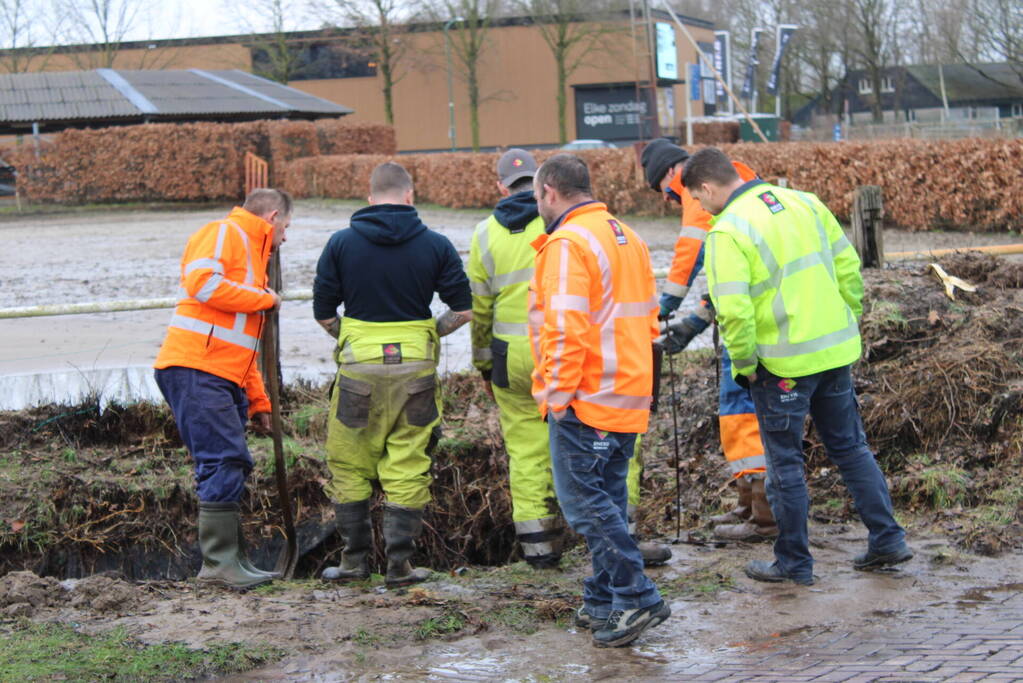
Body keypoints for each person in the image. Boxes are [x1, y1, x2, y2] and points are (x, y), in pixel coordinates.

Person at [684, 147, 912, 585]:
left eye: (696, 198)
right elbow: (848, 266)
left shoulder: (728, 231)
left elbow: (733, 311)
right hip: (834, 352)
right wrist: (846, 317)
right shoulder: (805, 201)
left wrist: (747, 364)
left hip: (781, 364)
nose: (699, 206)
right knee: (850, 449)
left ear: (708, 187)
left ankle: (794, 562)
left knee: (784, 462)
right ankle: (887, 539)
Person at [469, 149, 671, 569]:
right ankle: (624, 543)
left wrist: (485, 362)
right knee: (616, 463)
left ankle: (541, 549)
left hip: (530, 358)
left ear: (503, 186)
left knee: (528, 452)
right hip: (609, 367)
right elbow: (647, 315)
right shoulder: (622, 234)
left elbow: (482, 309)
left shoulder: (492, 234)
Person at [530, 153, 669, 647]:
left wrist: (557, 395)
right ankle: (604, 598)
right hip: (626, 390)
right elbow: (650, 320)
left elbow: (565, 330)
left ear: (549, 190)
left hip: (586, 397)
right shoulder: (624, 235)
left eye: (536, 196)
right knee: (607, 500)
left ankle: (635, 597)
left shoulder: (568, 243)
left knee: (587, 507)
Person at [313, 161, 472, 588]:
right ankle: (400, 567)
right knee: (408, 462)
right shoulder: (436, 244)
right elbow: (463, 309)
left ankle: (352, 564)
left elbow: (323, 311)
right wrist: (427, 333)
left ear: (369, 198)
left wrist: (353, 338)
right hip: (416, 368)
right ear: (410, 195)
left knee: (349, 462)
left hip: (359, 368)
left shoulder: (341, 243)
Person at [640, 138, 777, 542]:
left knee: (738, 408)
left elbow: (691, 251)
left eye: (668, 194)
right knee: (741, 408)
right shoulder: (740, 176)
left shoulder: (698, 184)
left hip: (748, 321)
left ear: (671, 173)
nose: (674, 200)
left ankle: (764, 517)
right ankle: (750, 503)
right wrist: (697, 320)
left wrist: (667, 305)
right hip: (758, 307)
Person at [154, 188, 291, 590]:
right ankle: (218, 566)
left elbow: (242, 348)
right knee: (224, 458)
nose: (286, 237)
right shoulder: (223, 233)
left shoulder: (253, 256)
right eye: (287, 227)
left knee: (229, 460)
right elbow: (201, 283)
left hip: (218, 371)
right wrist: (264, 298)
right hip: (196, 367)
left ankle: (232, 560)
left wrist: (259, 401)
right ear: (273, 216)